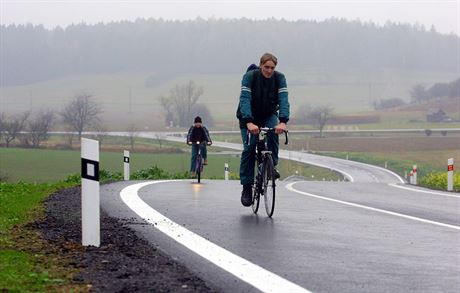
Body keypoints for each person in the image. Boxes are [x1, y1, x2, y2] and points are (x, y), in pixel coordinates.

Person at [236, 53, 290, 207]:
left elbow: (284, 99)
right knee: (250, 147)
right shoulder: (250, 77)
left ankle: (272, 166)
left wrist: (283, 121)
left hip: (268, 114)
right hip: (248, 117)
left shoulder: (280, 78)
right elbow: (244, 99)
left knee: (274, 132)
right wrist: (248, 122)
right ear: (260, 66)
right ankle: (246, 187)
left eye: (272, 68)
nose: (269, 70)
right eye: (266, 67)